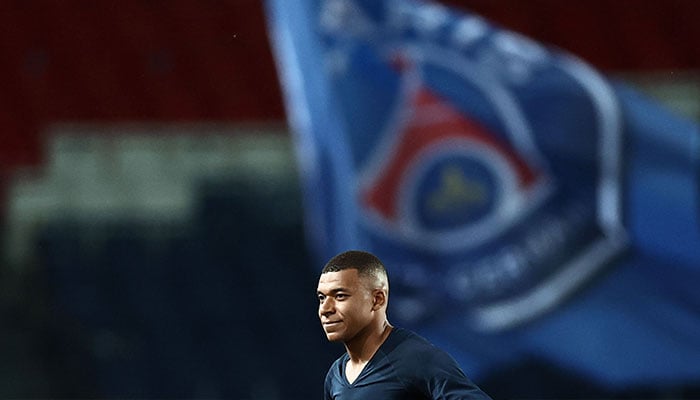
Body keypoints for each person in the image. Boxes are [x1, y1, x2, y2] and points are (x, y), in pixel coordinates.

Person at [317, 250, 493, 399]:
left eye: (340, 296)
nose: (325, 309)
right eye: (322, 298)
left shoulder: (415, 358)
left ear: (377, 300)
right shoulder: (335, 376)